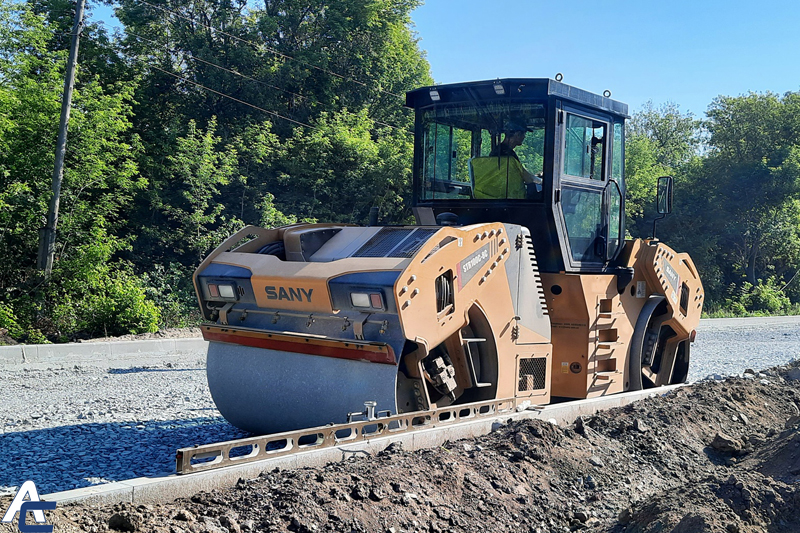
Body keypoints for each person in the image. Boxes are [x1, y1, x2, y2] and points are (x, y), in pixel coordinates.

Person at [489, 122, 542, 187]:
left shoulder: (496, 151)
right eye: (524, 133)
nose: (524, 137)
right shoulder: (509, 155)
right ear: (518, 134)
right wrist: (541, 181)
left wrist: (535, 176)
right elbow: (527, 178)